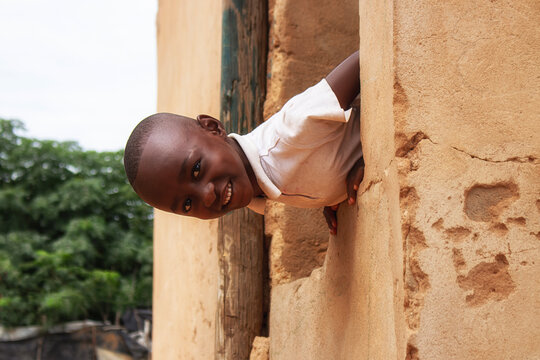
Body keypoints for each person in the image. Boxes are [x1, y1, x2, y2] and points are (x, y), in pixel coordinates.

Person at [124, 51, 363, 234]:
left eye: (196, 169)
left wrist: (372, 154)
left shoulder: (293, 129)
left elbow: (366, 59)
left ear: (212, 127)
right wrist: (332, 196)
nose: (206, 196)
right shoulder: (257, 190)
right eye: (187, 204)